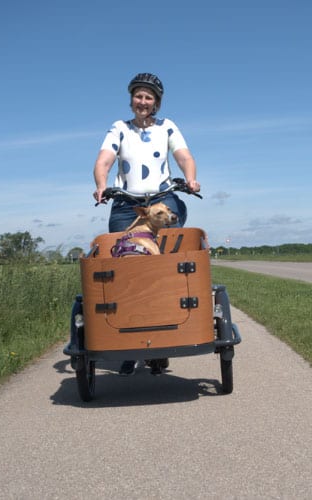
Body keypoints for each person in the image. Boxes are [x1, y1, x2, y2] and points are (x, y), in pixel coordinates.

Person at [91, 72, 201, 376]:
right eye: (138, 96)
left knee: (166, 266)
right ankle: (126, 341)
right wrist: (102, 185)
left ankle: (163, 338)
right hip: (128, 204)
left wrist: (190, 178)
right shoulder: (119, 128)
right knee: (123, 268)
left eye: (148, 97)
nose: (143, 102)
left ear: (156, 102)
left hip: (163, 200)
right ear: (131, 100)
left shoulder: (167, 127)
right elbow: (103, 161)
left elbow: (184, 156)